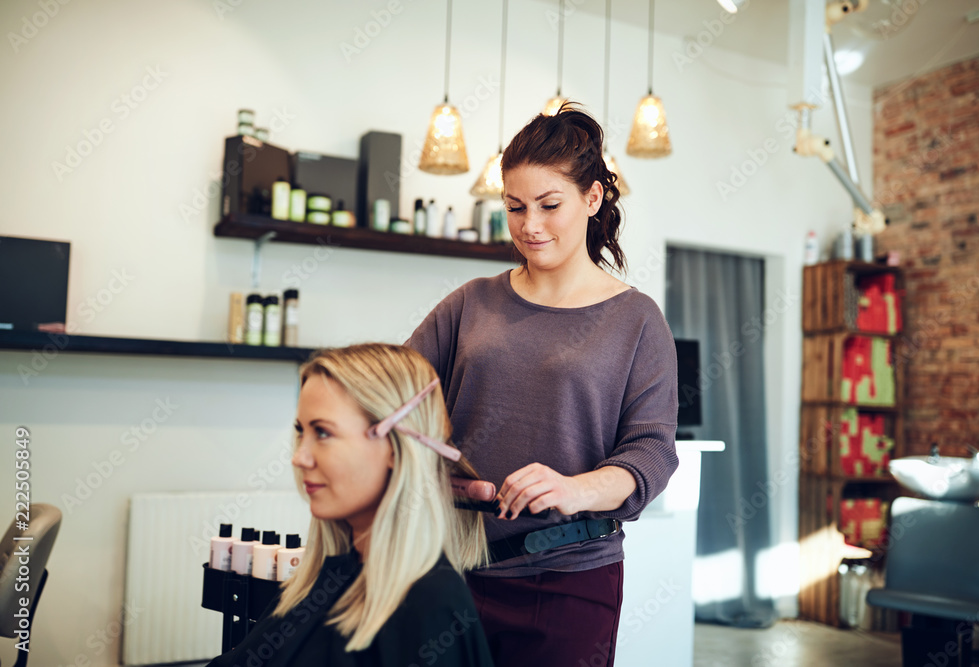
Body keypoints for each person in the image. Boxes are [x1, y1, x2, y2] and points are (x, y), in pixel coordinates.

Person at [405, 103, 679, 667]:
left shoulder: (637, 320)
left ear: (593, 199)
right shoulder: (470, 303)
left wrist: (574, 489)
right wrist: (439, 474)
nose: (530, 226)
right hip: (453, 567)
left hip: (569, 580)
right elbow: (396, 401)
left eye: (550, 205)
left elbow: (652, 452)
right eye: (515, 207)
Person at [208, 343, 495, 666]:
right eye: (302, 432)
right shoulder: (322, 578)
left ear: (394, 448)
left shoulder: (431, 607)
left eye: (324, 433)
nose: (299, 457)